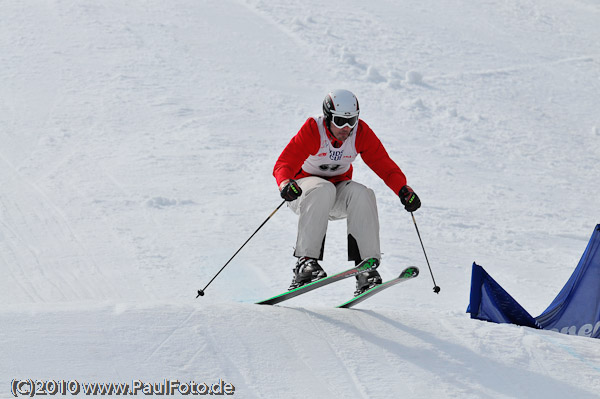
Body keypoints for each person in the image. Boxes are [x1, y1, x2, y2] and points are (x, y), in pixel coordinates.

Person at [273, 89, 421, 296]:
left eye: (351, 120)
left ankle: (365, 269)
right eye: (340, 121)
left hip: (334, 194)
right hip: (303, 194)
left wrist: (403, 189)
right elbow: (283, 164)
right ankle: (305, 263)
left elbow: (384, 165)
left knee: (363, 194)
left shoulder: (360, 132)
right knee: (322, 188)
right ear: (327, 117)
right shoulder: (313, 130)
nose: (346, 128)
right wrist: (285, 184)